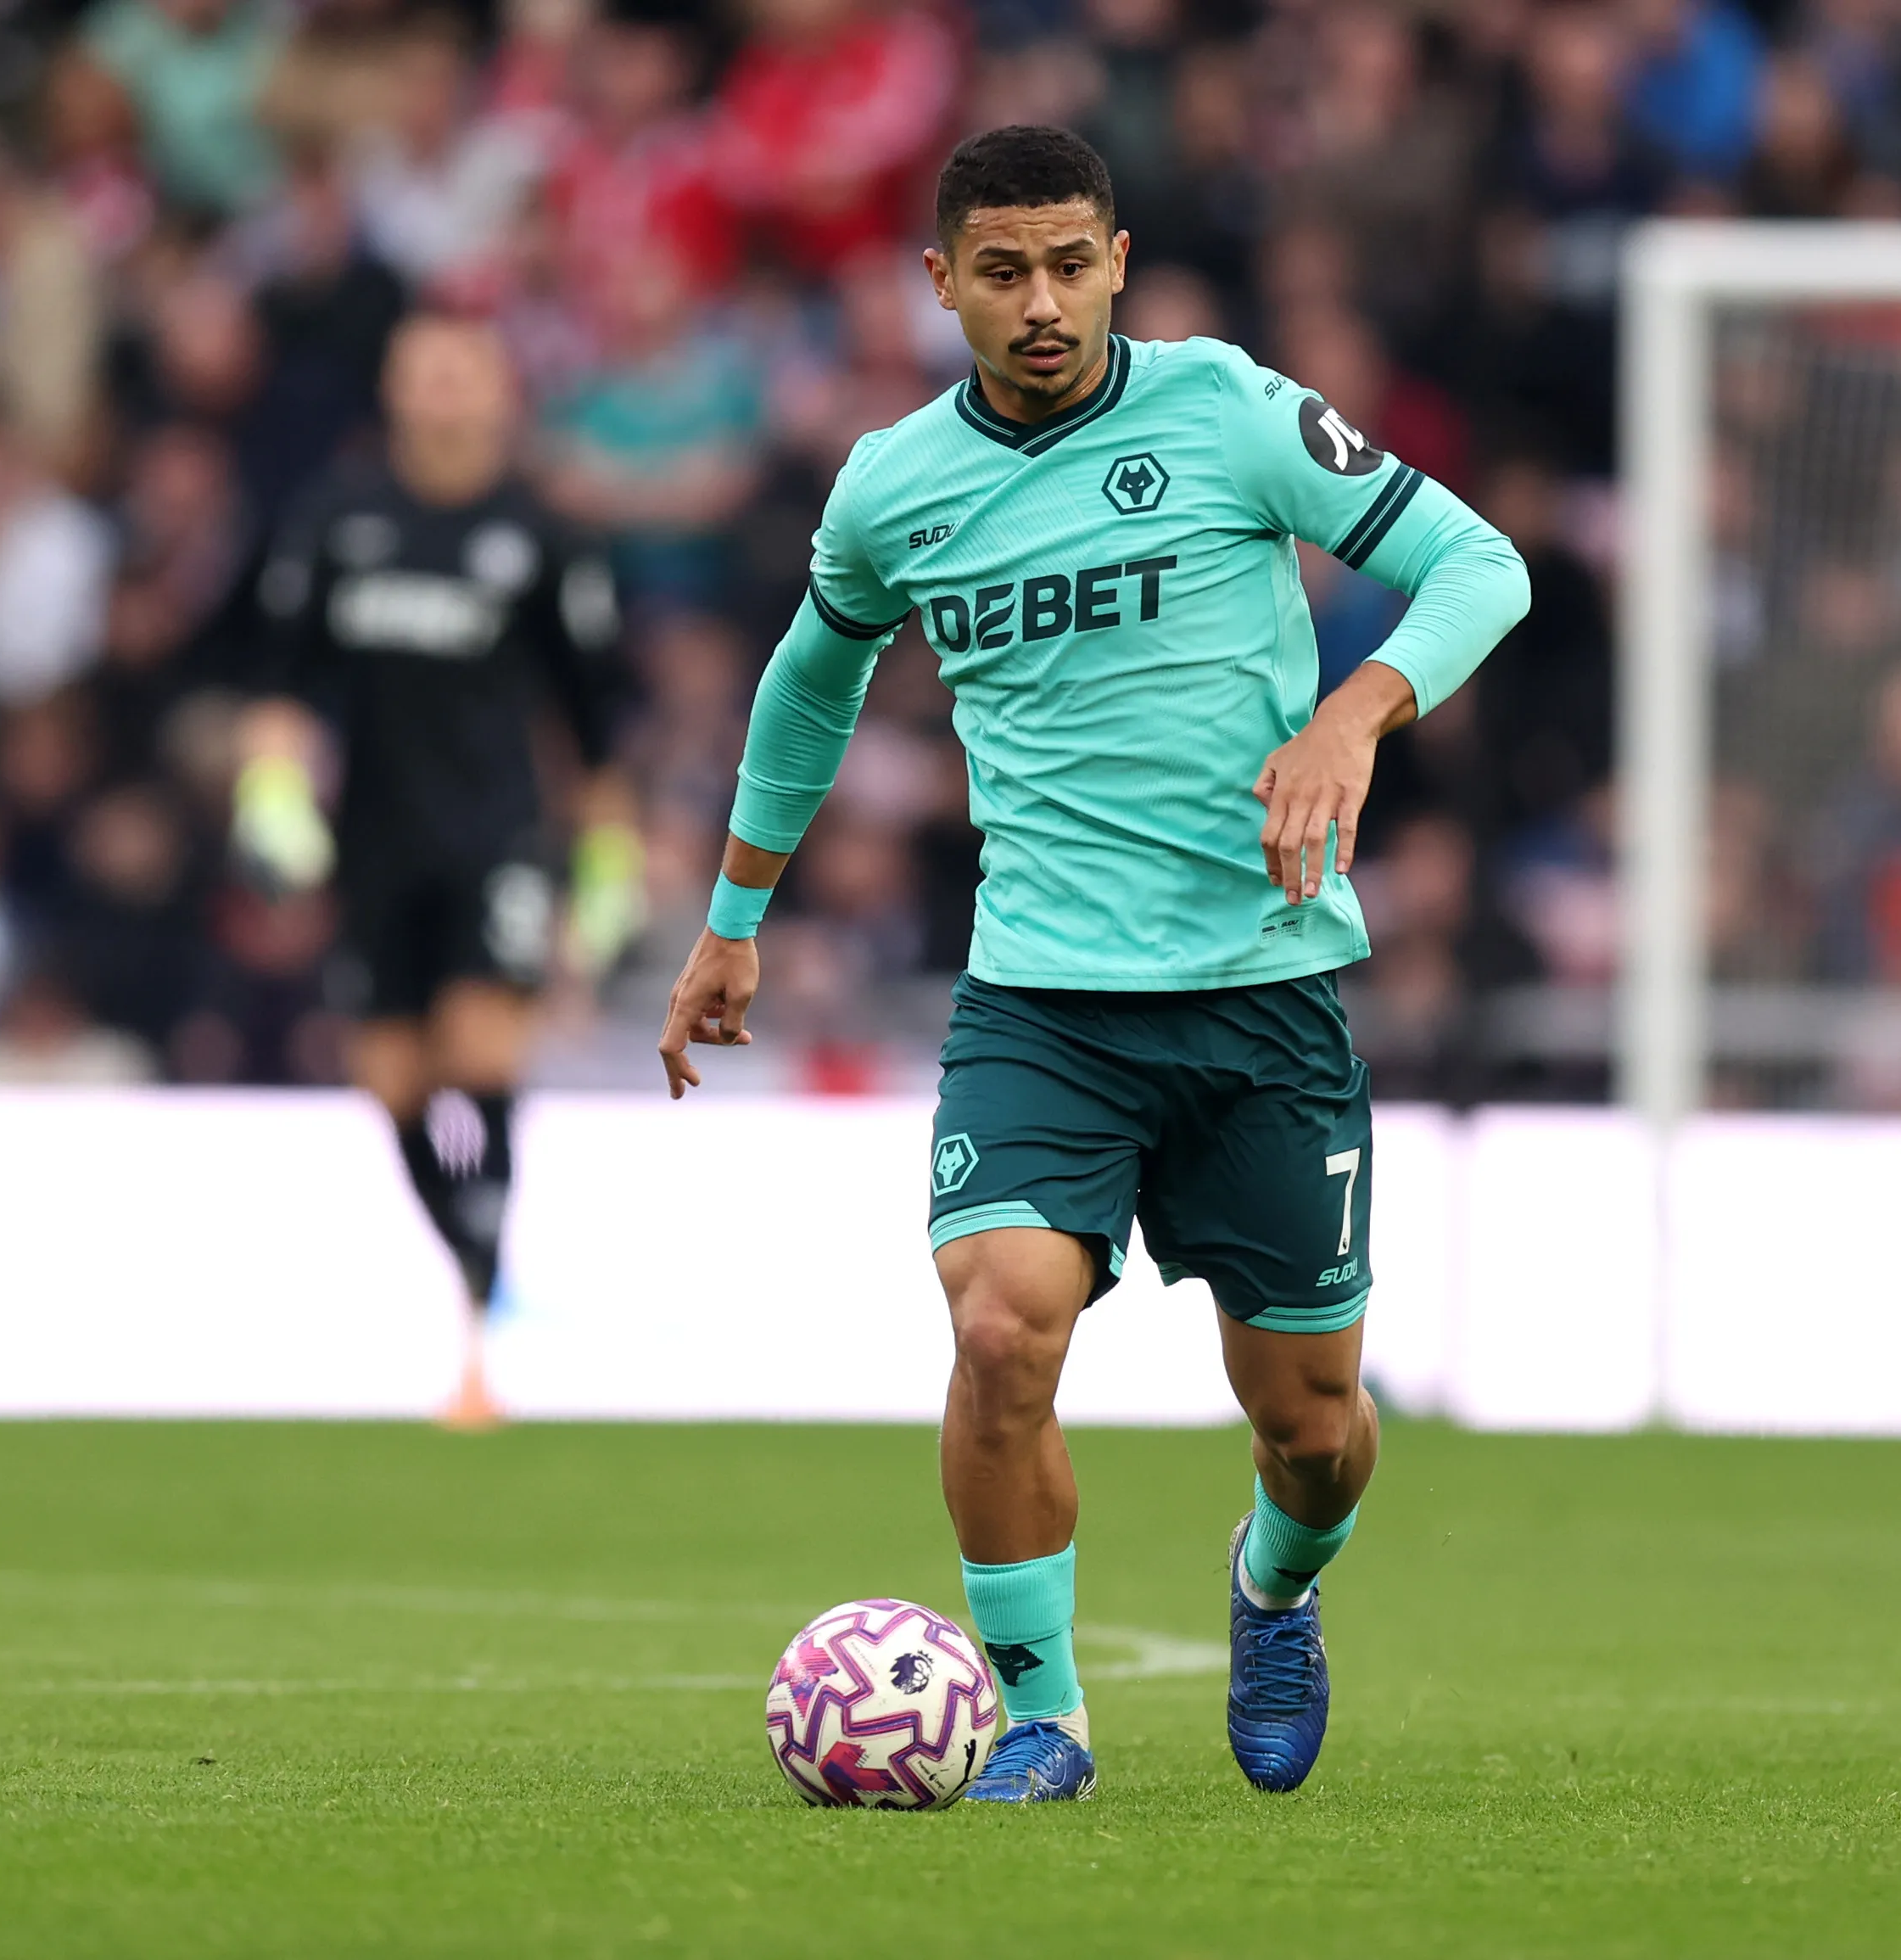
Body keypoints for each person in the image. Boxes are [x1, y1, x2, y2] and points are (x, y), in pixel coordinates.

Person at [656, 126, 1529, 1802]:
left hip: (1262, 998)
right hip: (1043, 1005)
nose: (1041, 301)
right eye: (1002, 271)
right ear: (942, 285)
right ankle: (1039, 1715)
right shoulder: (894, 487)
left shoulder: (1228, 410)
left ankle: (1272, 1584)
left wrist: (1357, 710)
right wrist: (733, 916)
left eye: (1070, 263)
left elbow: (1476, 563)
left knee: (1315, 1427)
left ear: (1116, 260)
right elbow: (807, 686)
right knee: (999, 1333)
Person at [236, 312, 627, 1428]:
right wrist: (270, 797)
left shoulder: (542, 536)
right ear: (396, 391)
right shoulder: (335, 522)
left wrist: (606, 859)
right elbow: (280, 683)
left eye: (464, 373)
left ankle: (476, 1322)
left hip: (496, 834)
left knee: (479, 1044)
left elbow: (592, 722)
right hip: (373, 838)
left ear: (501, 393)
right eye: (425, 373)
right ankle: (475, 1261)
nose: (445, 394)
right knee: (393, 1079)